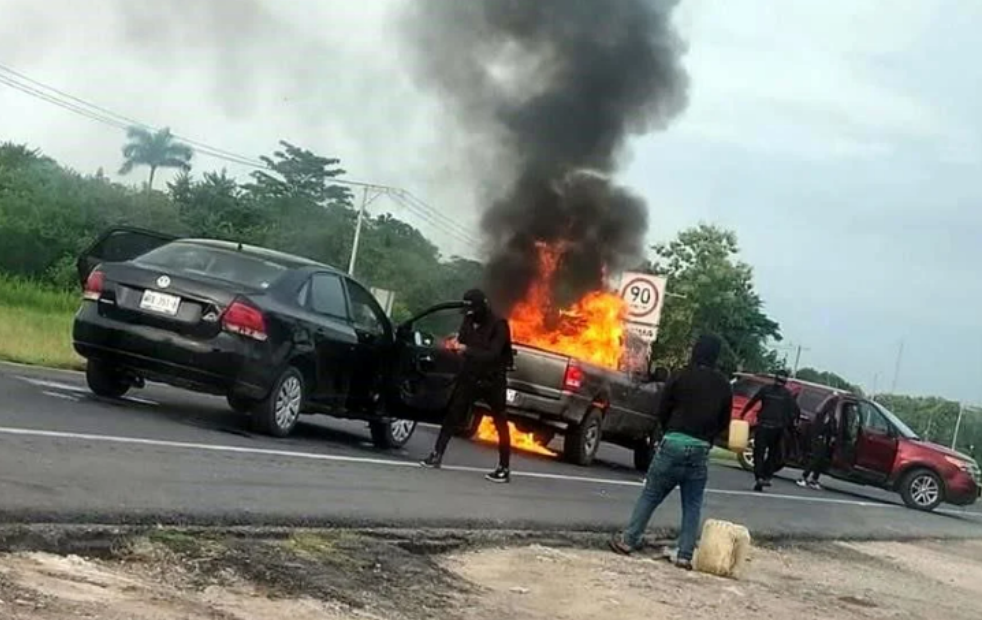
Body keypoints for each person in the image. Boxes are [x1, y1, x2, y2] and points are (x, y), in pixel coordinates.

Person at [609, 335, 732, 570]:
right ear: (715, 356)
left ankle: (628, 540)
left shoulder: (680, 376)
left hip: (672, 443)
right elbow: (724, 421)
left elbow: (662, 409)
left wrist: (669, 431)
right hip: (700, 450)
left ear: (696, 350)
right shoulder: (723, 385)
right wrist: (706, 438)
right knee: (692, 504)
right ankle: (685, 554)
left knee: (651, 495)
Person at [420, 289, 514, 483]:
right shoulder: (469, 321)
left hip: (492, 379)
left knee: (500, 421)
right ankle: (436, 454)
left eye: (473, 312)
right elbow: (462, 340)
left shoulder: (499, 324)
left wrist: (466, 349)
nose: (470, 316)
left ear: (483, 307)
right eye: (468, 313)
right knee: (453, 413)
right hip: (470, 375)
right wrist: (454, 344)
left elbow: (493, 354)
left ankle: (504, 467)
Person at [741, 369, 800, 492]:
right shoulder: (787, 394)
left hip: (763, 426)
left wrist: (744, 413)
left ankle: (759, 477)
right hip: (777, 429)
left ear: (775, 379)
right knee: (773, 454)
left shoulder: (766, 389)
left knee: (759, 453)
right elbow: (795, 411)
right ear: (785, 381)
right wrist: (792, 423)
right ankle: (766, 476)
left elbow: (753, 401)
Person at [798, 398, 838, 490]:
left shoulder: (830, 416)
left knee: (820, 460)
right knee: (816, 459)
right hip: (819, 439)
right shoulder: (822, 415)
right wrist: (820, 435)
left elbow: (833, 428)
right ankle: (804, 477)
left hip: (824, 440)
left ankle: (814, 479)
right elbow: (818, 428)